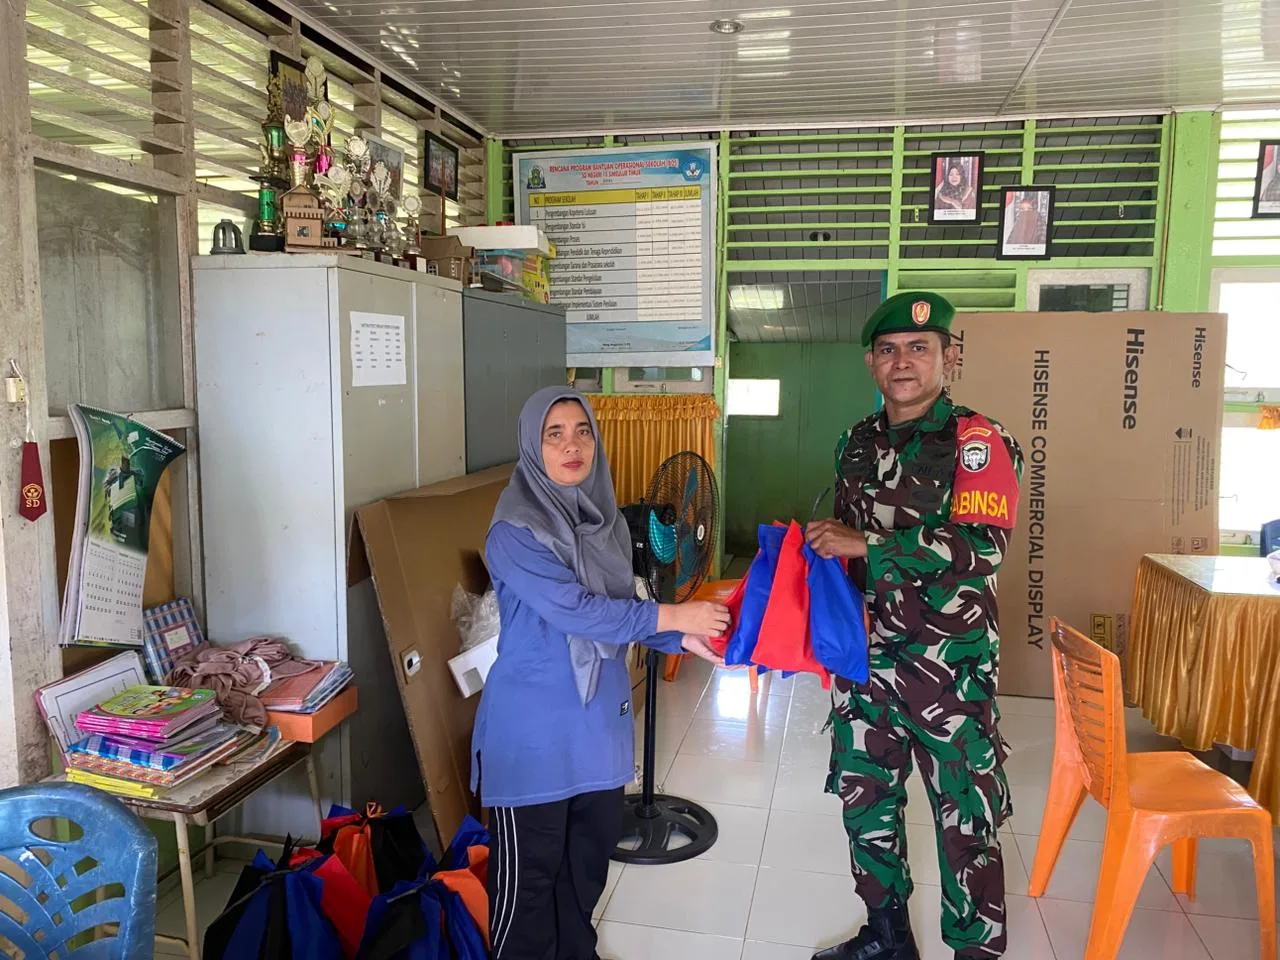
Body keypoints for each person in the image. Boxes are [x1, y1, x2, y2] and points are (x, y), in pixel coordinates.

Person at [472, 386, 730, 960]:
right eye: (554, 434)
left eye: (582, 431)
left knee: (583, 877)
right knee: (527, 891)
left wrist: (679, 636)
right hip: (534, 739)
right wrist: (673, 614)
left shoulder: (606, 523)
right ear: (531, 446)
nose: (572, 446)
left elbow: (621, 607)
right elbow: (576, 610)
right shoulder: (514, 531)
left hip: (598, 734)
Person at [805, 292, 1024, 960]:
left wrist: (866, 545)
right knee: (865, 803)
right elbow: (844, 546)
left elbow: (983, 546)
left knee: (966, 819)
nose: (902, 362)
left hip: (949, 670)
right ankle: (887, 935)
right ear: (871, 362)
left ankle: (974, 951)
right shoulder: (854, 442)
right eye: (888, 349)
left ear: (949, 358)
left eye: (919, 348)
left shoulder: (978, 441)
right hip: (864, 662)